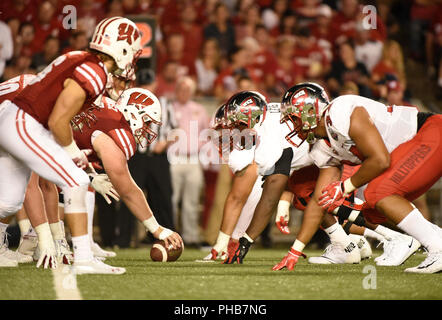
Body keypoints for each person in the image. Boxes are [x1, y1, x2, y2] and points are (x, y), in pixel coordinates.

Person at [0, 17, 141, 274]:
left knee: (8, 202)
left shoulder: (81, 58)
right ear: (122, 48)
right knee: (76, 181)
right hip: (23, 121)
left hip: (15, 120)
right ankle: (84, 258)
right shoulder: (95, 72)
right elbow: (57, 121)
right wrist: (76, 157)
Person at [273, 83, 442, 273]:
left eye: (294, 119)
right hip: (416, 146)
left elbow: (379, 160)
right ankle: (431, 237)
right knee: (369, 210)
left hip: (431, 132)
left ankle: (438, 247)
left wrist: (344, 187)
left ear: (311, 111)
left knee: (378, 192)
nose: (293, 125)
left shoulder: (340, 112)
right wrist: (295, 251)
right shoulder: (322, 147)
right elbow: (319, 202)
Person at [71, 88, 183, 259]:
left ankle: (46, 241)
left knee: (73, 187)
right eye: (146, 121)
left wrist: (89, 174)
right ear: (132, 113)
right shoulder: (119, 134)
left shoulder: (108, 106)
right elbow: (128, 191)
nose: (146, 128)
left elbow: (79, 142)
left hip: (55, 138)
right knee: (62, 191)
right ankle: (65, 247)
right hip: (45, 135)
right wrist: (156, 229)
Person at [168, 77, 210, 247]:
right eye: (181, 89)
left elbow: (207, 135)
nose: (184, 93)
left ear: (192, 92)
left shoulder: (199, 110)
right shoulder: (169, 109)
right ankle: (168, 235)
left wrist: (204, 157)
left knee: (191, 201)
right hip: (174, 159)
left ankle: (190, 236)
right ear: (176, 90)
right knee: (171, 198)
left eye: (187, 90)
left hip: (193, 159)